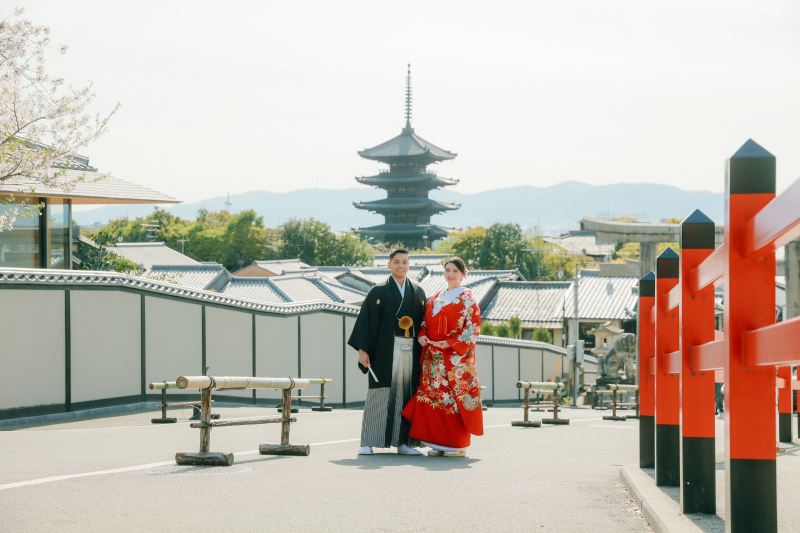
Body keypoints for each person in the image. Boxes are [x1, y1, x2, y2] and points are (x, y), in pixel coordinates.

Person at [348, 248, 428, 455]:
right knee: (380, 393)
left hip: (411, 349)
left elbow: (424, 323)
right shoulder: (379, 291)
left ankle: (404, 442)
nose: (401, 265)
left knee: (407, 393)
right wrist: (363, 350)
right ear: (389, 264)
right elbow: (367, 322)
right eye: (397, 262)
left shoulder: (418, 291)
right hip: (385, 350)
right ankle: (368, 441)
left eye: (405, 262)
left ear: (409, 265)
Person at [401, 256, 483, 457]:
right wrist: (421, 335)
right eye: (447, 270)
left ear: (464, 274)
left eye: (455, 271)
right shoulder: (437, 297)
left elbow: (473, 328)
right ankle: (437, 443)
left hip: (455, 359)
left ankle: (456, 444)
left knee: (453, 399)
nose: (450, 274)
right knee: (435, 398)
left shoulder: (468, 298)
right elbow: (424, 323)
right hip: (433, 357)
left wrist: (451, 343)